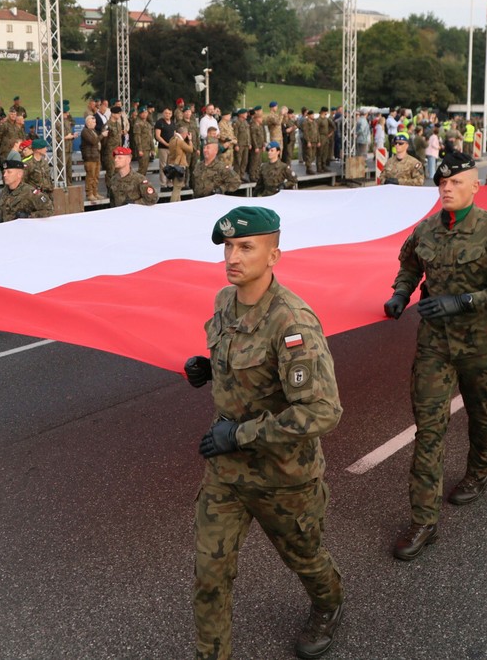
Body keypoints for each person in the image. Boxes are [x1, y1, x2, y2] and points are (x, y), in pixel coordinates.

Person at [185, 205, 344, 660]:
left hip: (283, 476)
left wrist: (239, 435)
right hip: (227, 474)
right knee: (209, 573)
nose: (233, 257)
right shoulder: (224, 301)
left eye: (246, 247)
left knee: (305, 558)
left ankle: (329, 603)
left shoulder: (292, 323)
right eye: (228, 247)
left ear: (274, 255)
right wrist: (208, 368)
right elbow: (239, 361)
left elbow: (322, 411)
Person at [382, 150, 487, 559]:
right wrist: (401, 293)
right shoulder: (427, 229)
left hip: (481, 346)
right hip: (435, 345)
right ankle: (424, 521)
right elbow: (410, 264)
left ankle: (479, 472)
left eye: (455, 182)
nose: (447, 188)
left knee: (483, 417)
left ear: (474, 186)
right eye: (442, 183)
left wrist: (466, 301)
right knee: (428, 431)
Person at [166, 125, 193, 202]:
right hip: (179, 166)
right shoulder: (180, 142)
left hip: (172, 165)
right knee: (177, 188)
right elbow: (190, 150)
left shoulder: (172, 140)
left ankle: (178, 204)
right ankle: (173, 204)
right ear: (184, 134)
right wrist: (190, 140)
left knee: (177, 187)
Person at [81, 114, 103, 202]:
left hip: (96, 156)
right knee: (90, 176)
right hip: (90, 157)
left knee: (96, 176)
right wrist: (102, 135)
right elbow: (94, 141)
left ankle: (95, 192)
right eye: (93, 122)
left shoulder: (93, 131)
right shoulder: (85, 131)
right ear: (88, 123)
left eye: (95, 122)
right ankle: (89, 193)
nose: (95, 123)